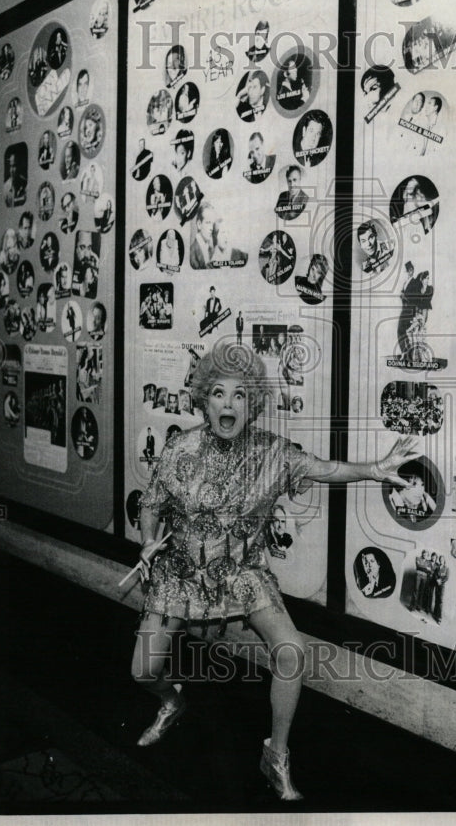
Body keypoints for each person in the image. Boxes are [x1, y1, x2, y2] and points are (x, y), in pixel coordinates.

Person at [132, 341, 419, 799]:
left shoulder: (273, 453)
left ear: (254, 405)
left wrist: (376, 468)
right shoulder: (178, 448)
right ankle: (172, 701)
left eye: (240, 395)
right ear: (204, 400)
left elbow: (328, 468)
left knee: (292, 651)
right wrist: (149, 540)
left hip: (243, 572)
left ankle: (275, 754)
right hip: (180, 573)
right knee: (143, 671)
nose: (229, 403)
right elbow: (151, 504)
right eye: (220, 394)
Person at [189, 202, 217, 269]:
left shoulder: (211, 249)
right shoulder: (191, 253)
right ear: (199, 224)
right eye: (208, 222)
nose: (211, 228)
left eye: (212, 224)